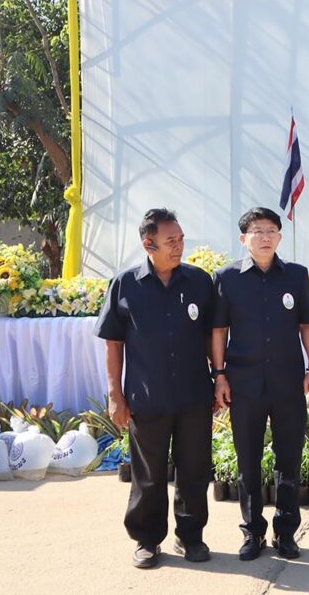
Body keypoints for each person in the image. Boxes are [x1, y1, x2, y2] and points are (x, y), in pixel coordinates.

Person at [95, 208, 214, 569]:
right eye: (170, 241)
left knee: (194, 470)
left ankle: (191, 536)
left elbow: (213, 335)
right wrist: (115, 395)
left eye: (181, 239)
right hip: (147, 396)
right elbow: (113, 343)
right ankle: (147, 540)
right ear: (148, 244)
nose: (179, 246)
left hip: (194, 394)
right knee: (148, 474)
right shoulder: (125, 284)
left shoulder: (199, 281)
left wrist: (220, 376)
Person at [212, 207, 309, 561]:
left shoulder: (296, 275)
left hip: (288, 381)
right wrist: (219, 375)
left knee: (289, 459)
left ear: (279, 236)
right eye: (257, 231)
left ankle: (286, 533)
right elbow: (219, 331)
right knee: (248, 461)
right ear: (243, 238)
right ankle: (252, 532)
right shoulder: (226, 278)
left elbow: (307, 326)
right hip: (243, 383)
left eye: (271, 230)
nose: (265, 237)